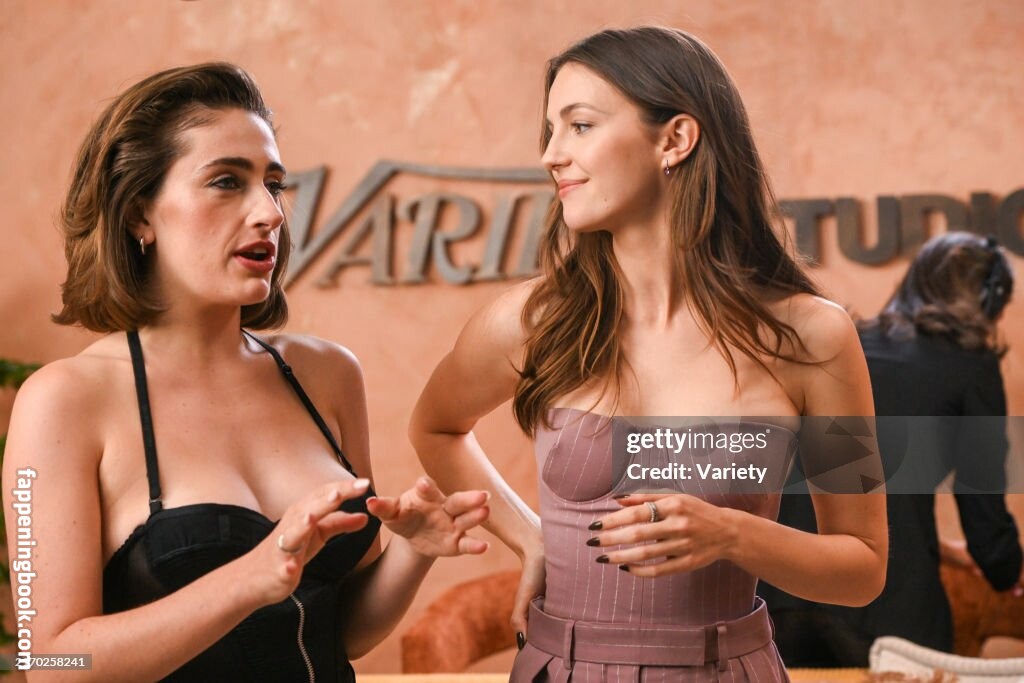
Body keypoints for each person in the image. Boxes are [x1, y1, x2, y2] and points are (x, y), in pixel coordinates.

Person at [410, 26, 888, 682]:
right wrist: (531, 537)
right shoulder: (531, 320)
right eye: (549, 131)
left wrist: (732, 533)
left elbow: (863, 567)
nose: (551, 155)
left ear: (676, 139)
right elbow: (435, 426)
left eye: (579, 125)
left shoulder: (813, 337)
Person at [1, 62, 491, 682]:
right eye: (227, 182)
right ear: (138, 215)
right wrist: (247, 581)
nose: (269, 212)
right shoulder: (63, 400)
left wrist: (413, 551)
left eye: (274, 184)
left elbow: (343, 633)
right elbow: (48, 661)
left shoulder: (326, 374)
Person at [761, 231, 1023, 667]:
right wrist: (1004, 569)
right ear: (990, 302)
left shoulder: (848, 342)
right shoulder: (969, 366)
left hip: (781, 595)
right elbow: (982, 504)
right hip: (886, 605)